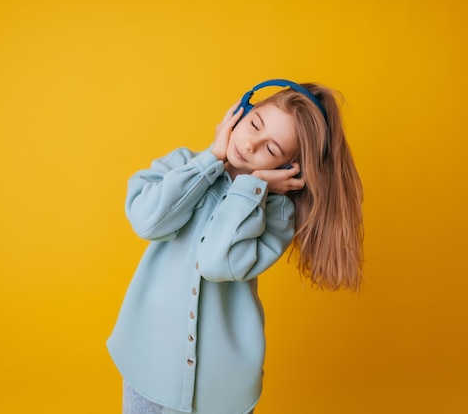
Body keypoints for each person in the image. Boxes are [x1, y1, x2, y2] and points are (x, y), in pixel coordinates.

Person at [107, 80, 364, 414]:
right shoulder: (182, 165)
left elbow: (215, 262)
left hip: (222, 392)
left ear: (288, 168)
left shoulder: (276, 214)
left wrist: (250, 186)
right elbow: (147, 221)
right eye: (254, 124)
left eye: (272, 150)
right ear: (240, 112)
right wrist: (210, 159)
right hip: (149, 367)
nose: (252, 144)